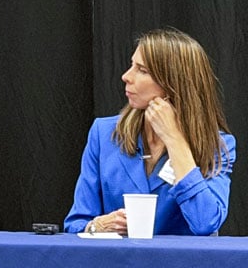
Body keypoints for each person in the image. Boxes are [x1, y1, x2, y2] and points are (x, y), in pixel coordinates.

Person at [64, 28, 235, 236]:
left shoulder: (217, 145)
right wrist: (97, 225)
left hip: (181, 266)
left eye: (142, 70)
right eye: (131, 65)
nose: (126, 76)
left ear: (173, 84)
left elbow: (206, 223)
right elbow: (74, 225)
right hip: (118, 265)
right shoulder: (104, 134)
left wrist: (175, 141)